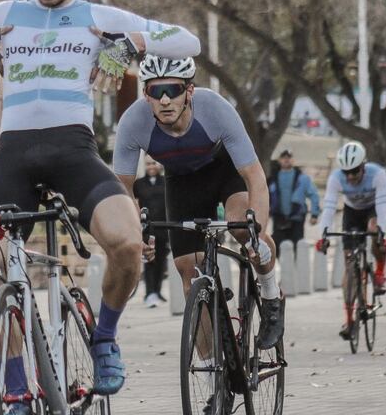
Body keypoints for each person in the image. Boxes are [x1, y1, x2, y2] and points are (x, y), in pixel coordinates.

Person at [0, 0, 200, 411]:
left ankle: (105, 338)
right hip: (14, 155)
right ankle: (14, 384)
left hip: (74, 150)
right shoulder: (7, 14)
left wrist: (130, 44)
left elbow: (188, 41)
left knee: (128, 243)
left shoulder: (99, 17)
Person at [113, 55, 284, 363]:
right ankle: (210, 370)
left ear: (189, 91)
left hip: (225, 172)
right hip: (181, 182)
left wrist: (257, 232)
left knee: (243, 228)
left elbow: (255, 176)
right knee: (188, 271)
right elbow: (123, 188)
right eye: (156, 91)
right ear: (145, 95)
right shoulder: (132, 122)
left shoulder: (215, 108)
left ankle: (271, 297)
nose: (165, 99)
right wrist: (134, 235)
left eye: (174, 90)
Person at [315, 140, 386, 339]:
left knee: (375, 229)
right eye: (346, 171)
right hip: (351, 213)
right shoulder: (336, 178)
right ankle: (349, 319)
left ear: (364, 166)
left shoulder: (378, 174)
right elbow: (330, 208)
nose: (350, 176)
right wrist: (323, 234)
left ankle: (380, 272)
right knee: (350, 265)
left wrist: (384, 234)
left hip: (372, 210)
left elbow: (383, 207)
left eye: (355, 171)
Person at [132, 158, 168, 308]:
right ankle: (149, 293)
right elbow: (133, 202)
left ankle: (158, 291)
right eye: (148, 164)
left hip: (164, 227)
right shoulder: (139, 184)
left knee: (161, 261)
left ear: (159, 165)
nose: (151, 166)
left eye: (154, 163)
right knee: (149, 260)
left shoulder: (166, 182)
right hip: (147, 228)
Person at [268, 148, 320, 250]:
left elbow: (314, 195)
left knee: (298, 246)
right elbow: (265, 197)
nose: (286, 159)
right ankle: (282, 265)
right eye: (283, 157)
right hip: (279, 218)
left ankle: (297, 265)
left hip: (297, 218)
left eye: (289, 157)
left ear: (293, 160)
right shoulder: (272, 179)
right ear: (279, 160)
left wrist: (314, 214)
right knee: (277, 246)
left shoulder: (303, 178)